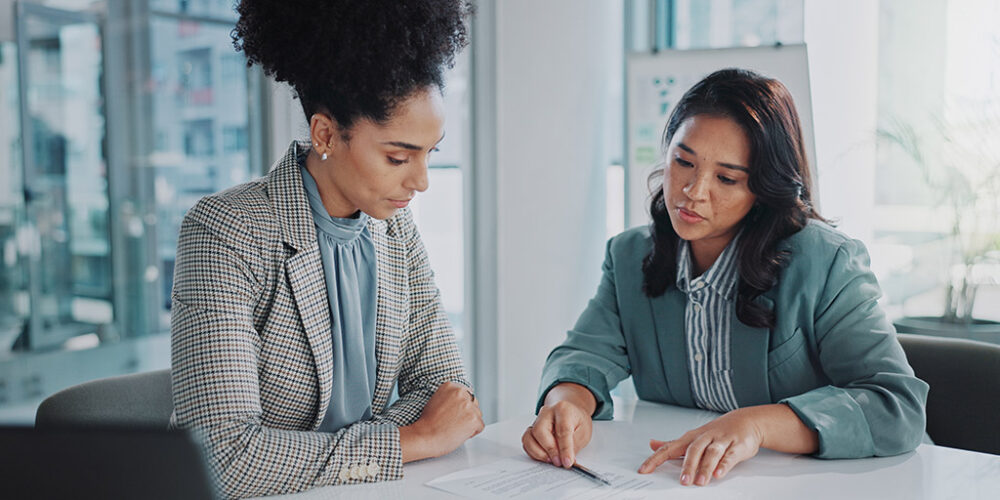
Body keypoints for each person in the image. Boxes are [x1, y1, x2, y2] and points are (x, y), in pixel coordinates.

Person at [522, 68, 928, 487]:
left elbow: (896, 406)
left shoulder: (827, 262)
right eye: (683, 162)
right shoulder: (629, 255)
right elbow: (585, 355)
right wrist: (566, 401)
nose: (693, 191)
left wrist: (757, 425)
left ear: (764, 188)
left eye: (727, 178)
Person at [169, 1, 481, 498]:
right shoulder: (227, 233)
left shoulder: (396, 231)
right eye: (398, 156)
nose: (421, 181)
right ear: (326, 134)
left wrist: (299, 453)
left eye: (431, 153)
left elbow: (447, 394)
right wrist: (408, 440)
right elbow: (223, 458)